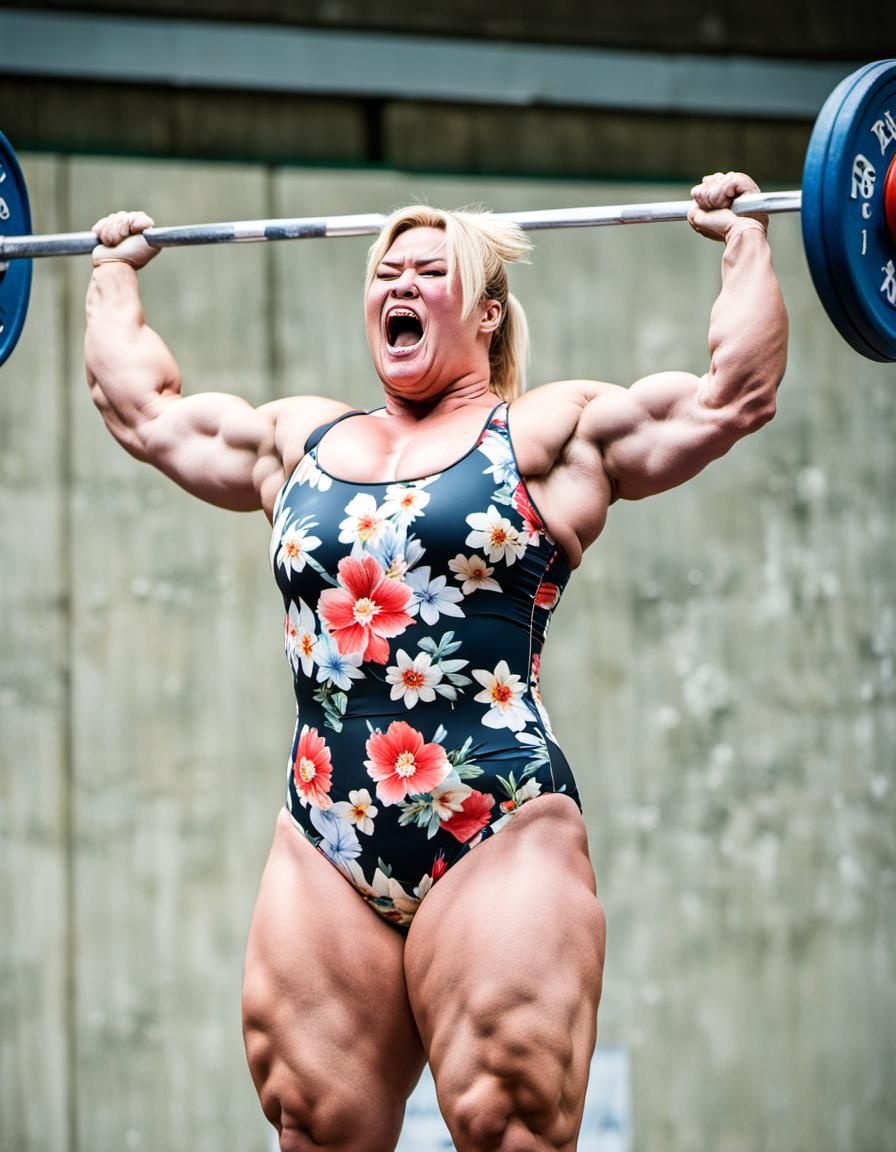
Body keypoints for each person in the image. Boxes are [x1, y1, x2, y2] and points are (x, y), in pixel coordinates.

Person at [85, 170, 787, 1152]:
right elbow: (146, 414)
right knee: (313, 1122)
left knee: (510, 1118)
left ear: (489, 313)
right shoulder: (299, 442)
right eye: (384, 271)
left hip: (492, 821)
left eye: (428, 269)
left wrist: (742, 238)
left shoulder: (543, 436)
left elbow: (729, 397)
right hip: (325, 833)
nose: (397, 284)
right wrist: (113, 275)